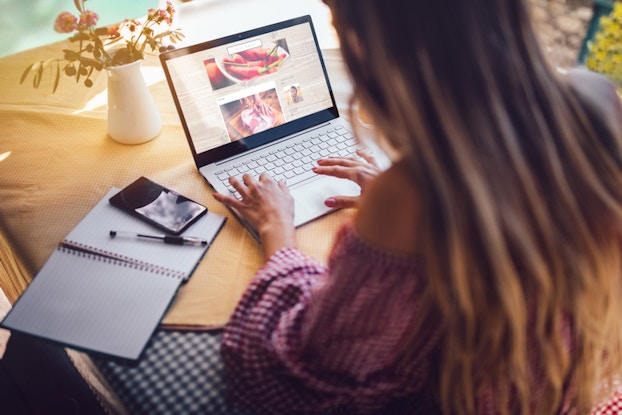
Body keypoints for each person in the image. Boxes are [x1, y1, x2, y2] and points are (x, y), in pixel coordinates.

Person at [213, 0, 622, 414]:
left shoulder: (411, 190)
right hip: (570, 386)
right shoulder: (597, 100)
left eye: (339, 24)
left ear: (387, 47)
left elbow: (322, 359)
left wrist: (277, 227)